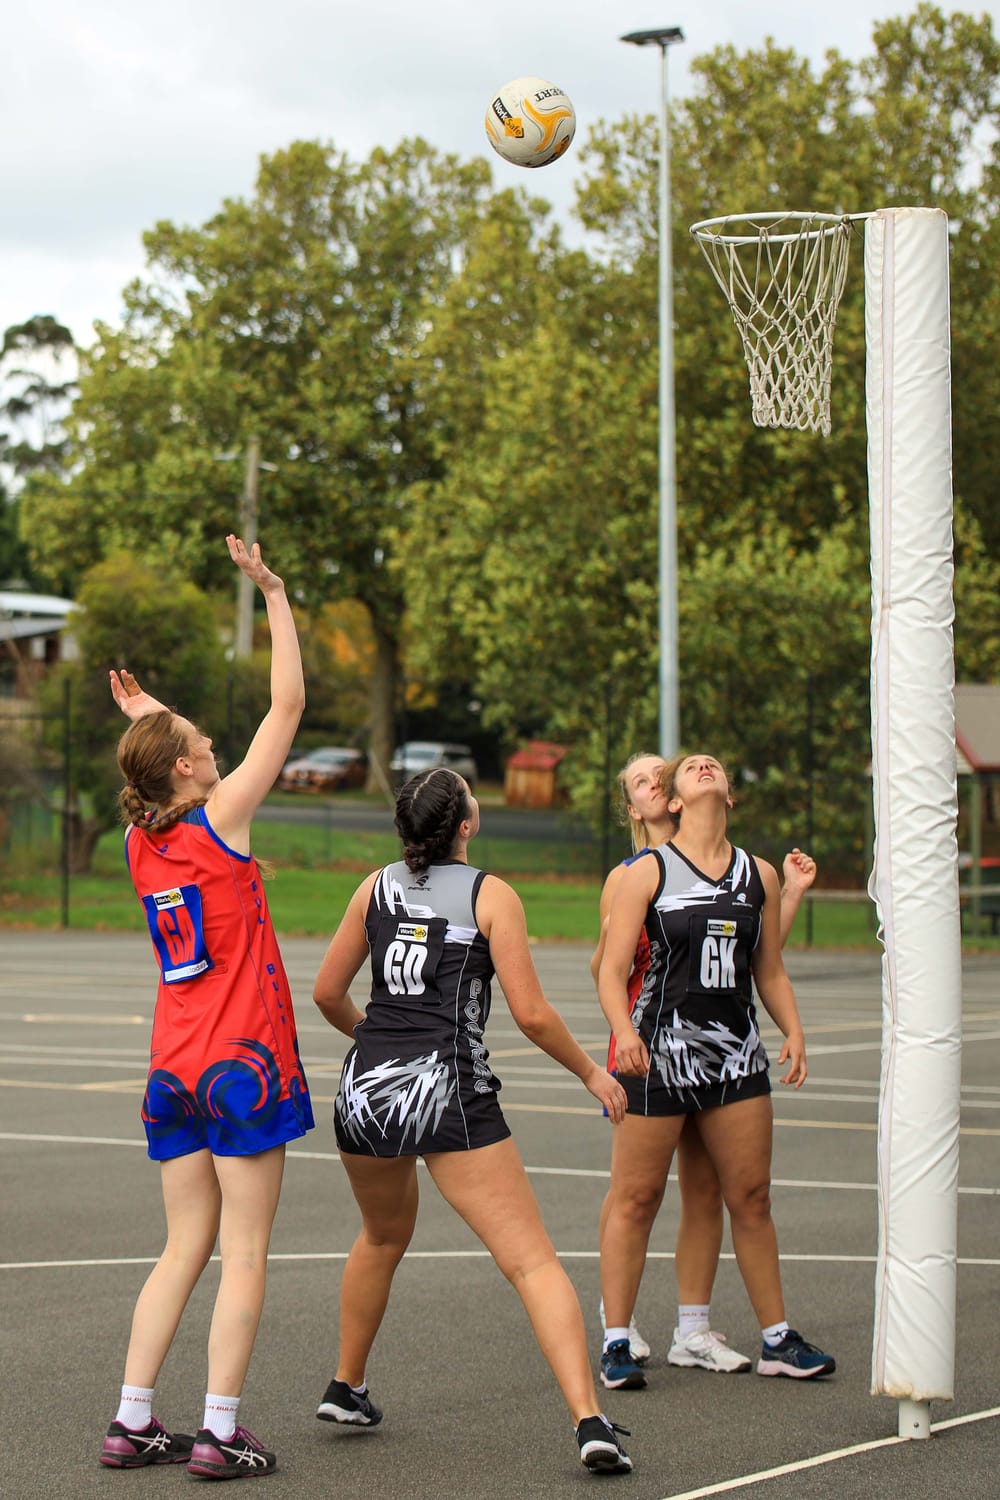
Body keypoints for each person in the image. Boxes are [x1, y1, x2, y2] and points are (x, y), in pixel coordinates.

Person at [311, 767, 633, 1475]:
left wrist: (380, 1044)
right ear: (464, 824)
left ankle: (347, 1384)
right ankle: (589, 1420)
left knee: (380, 1234)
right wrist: (592, 1071)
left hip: (364, 1093)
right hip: (447, 1090)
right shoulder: (492, 895)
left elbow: (327, 993)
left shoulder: (375, 887)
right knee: (532, 1261)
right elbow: (533, 1013)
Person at [98, 536, 314, 1480]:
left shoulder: (148, 842)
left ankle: (133, 1417)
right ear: (184, 773)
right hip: (242, 1060)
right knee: (247, 1249)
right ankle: (222, 1428)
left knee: (182, 1245)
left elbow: (159, 766)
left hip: (173, 1066)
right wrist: (272, 593)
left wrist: (149, 716)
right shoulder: (223, 823)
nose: (215, 747)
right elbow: (289, 705)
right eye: (200, 747)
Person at [597, 751, 834, 1390]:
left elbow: (770, 968)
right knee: (637, 1196)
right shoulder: (646, 872)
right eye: (692, 767)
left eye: (716, 765)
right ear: (672, 800)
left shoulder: (759, 874)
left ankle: (776, 1338)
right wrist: (622, 1032)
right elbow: (611, 970)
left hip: (735, 1056)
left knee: (748, 1197)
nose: (706, 767)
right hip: (658, 1053)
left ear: (728, 795)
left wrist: (794, 1029)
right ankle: (616, 1339)